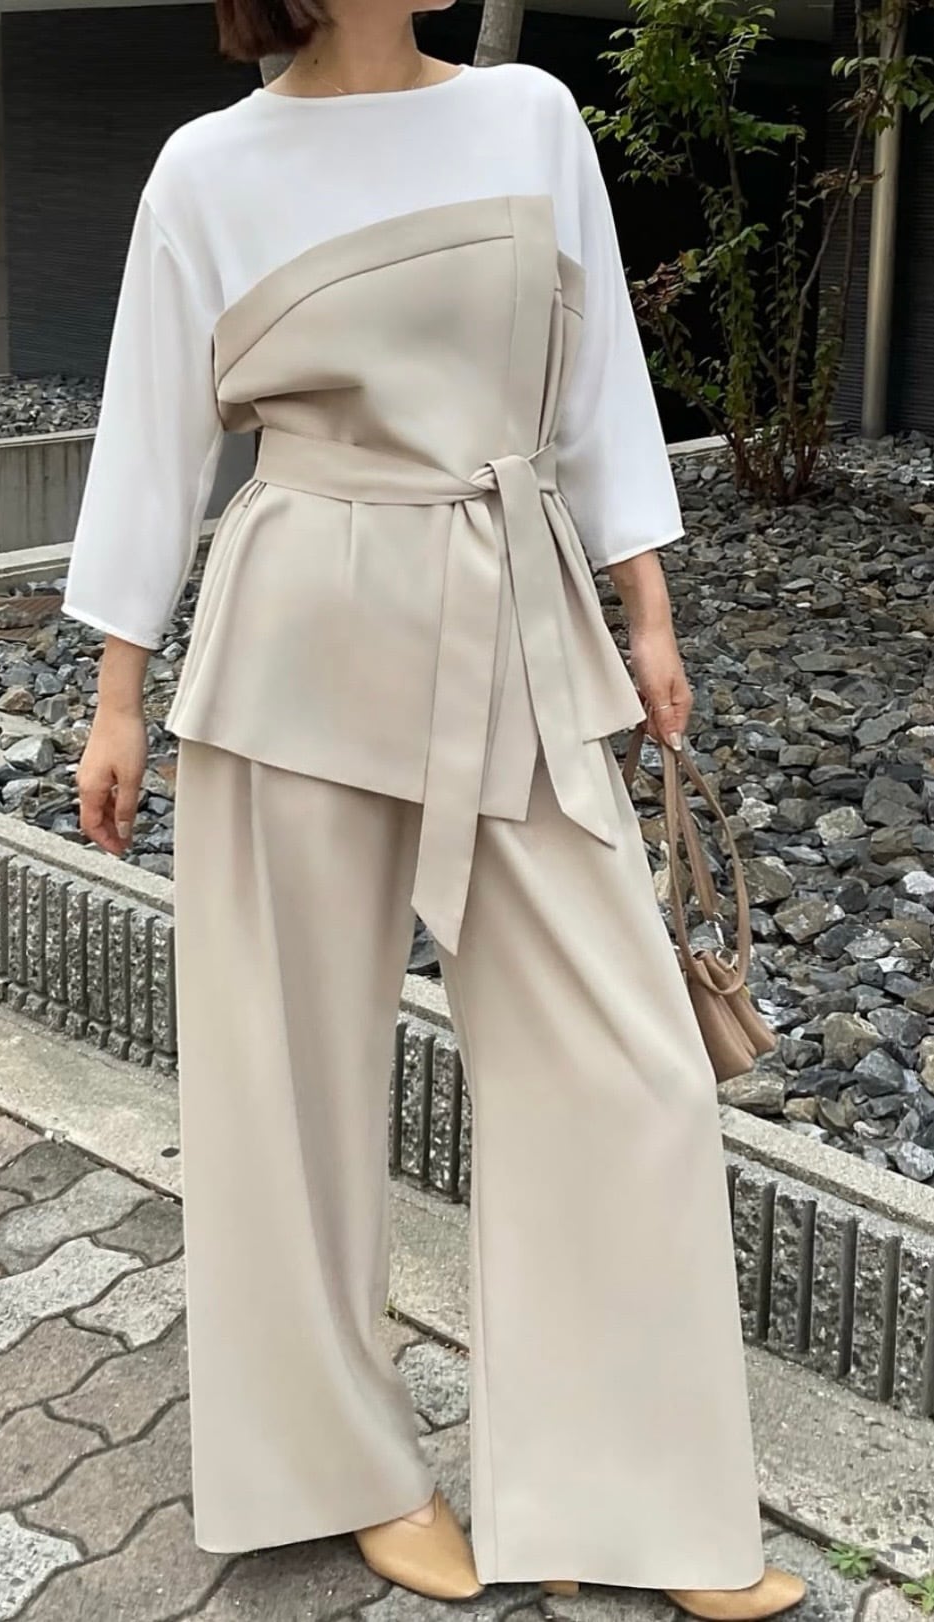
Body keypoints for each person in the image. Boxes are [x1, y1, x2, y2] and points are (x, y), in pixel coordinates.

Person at [62, 0, 808, 1612]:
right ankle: (346, 1466)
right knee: (283, 1077)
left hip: (510, 609)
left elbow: (596, 377)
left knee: (629, 1062)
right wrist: (117, 695)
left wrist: (646, 605)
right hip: (295, 625)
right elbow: (151, 434)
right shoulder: (208, 167)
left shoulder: (527, 115)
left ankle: (633, 1496)